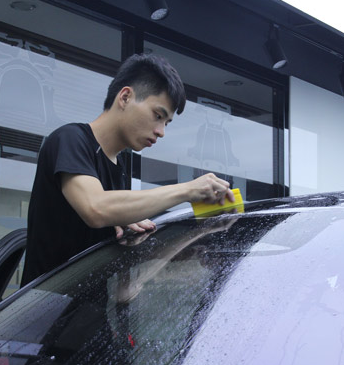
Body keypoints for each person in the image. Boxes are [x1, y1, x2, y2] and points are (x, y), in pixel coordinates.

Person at [21, 53, 234, 286]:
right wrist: (189, 190)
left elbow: (128, 288)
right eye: (158, 115)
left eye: (166, 123)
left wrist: (190, 241)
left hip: (91, 308)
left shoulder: (120, 168)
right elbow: (96, 208)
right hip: (42, 306)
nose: (161, 131)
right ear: (125, 97)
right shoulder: (70, 139)